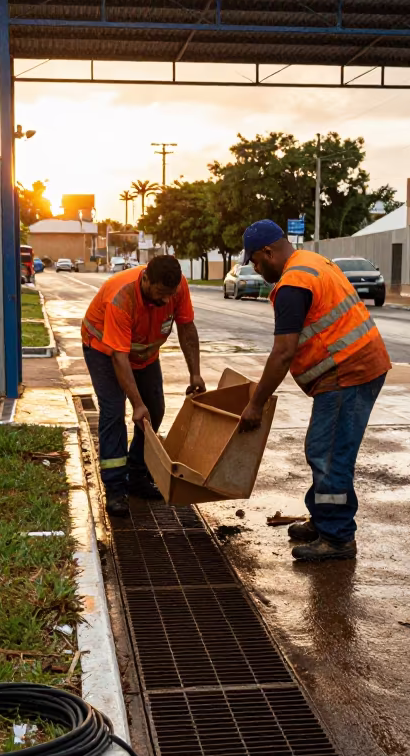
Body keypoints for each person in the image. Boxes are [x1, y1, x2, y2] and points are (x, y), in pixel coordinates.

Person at [238, 220, 390, 561]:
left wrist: (256, 404)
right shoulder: (311, 261)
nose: (257, 269)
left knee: (328, 454)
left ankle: (337, 538)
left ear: (268, 252)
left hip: (348, 371)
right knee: (323, 448)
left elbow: (283, 353)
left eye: (257, 262)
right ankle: (324, 520)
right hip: (355, 366)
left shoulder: (293, 283)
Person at [82, 254, 205, 517]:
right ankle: (116, 488)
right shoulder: (122, 297)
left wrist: (195, 374)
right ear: (145, 279)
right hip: (104, 350)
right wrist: (136, 403)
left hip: (144, 353)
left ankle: (137, 475)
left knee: (155, 410)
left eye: (169, 295)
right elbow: (119, 356)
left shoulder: (177, 287)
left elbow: (186, 328)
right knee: (115, 412)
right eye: (160, 293)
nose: (164, 301)